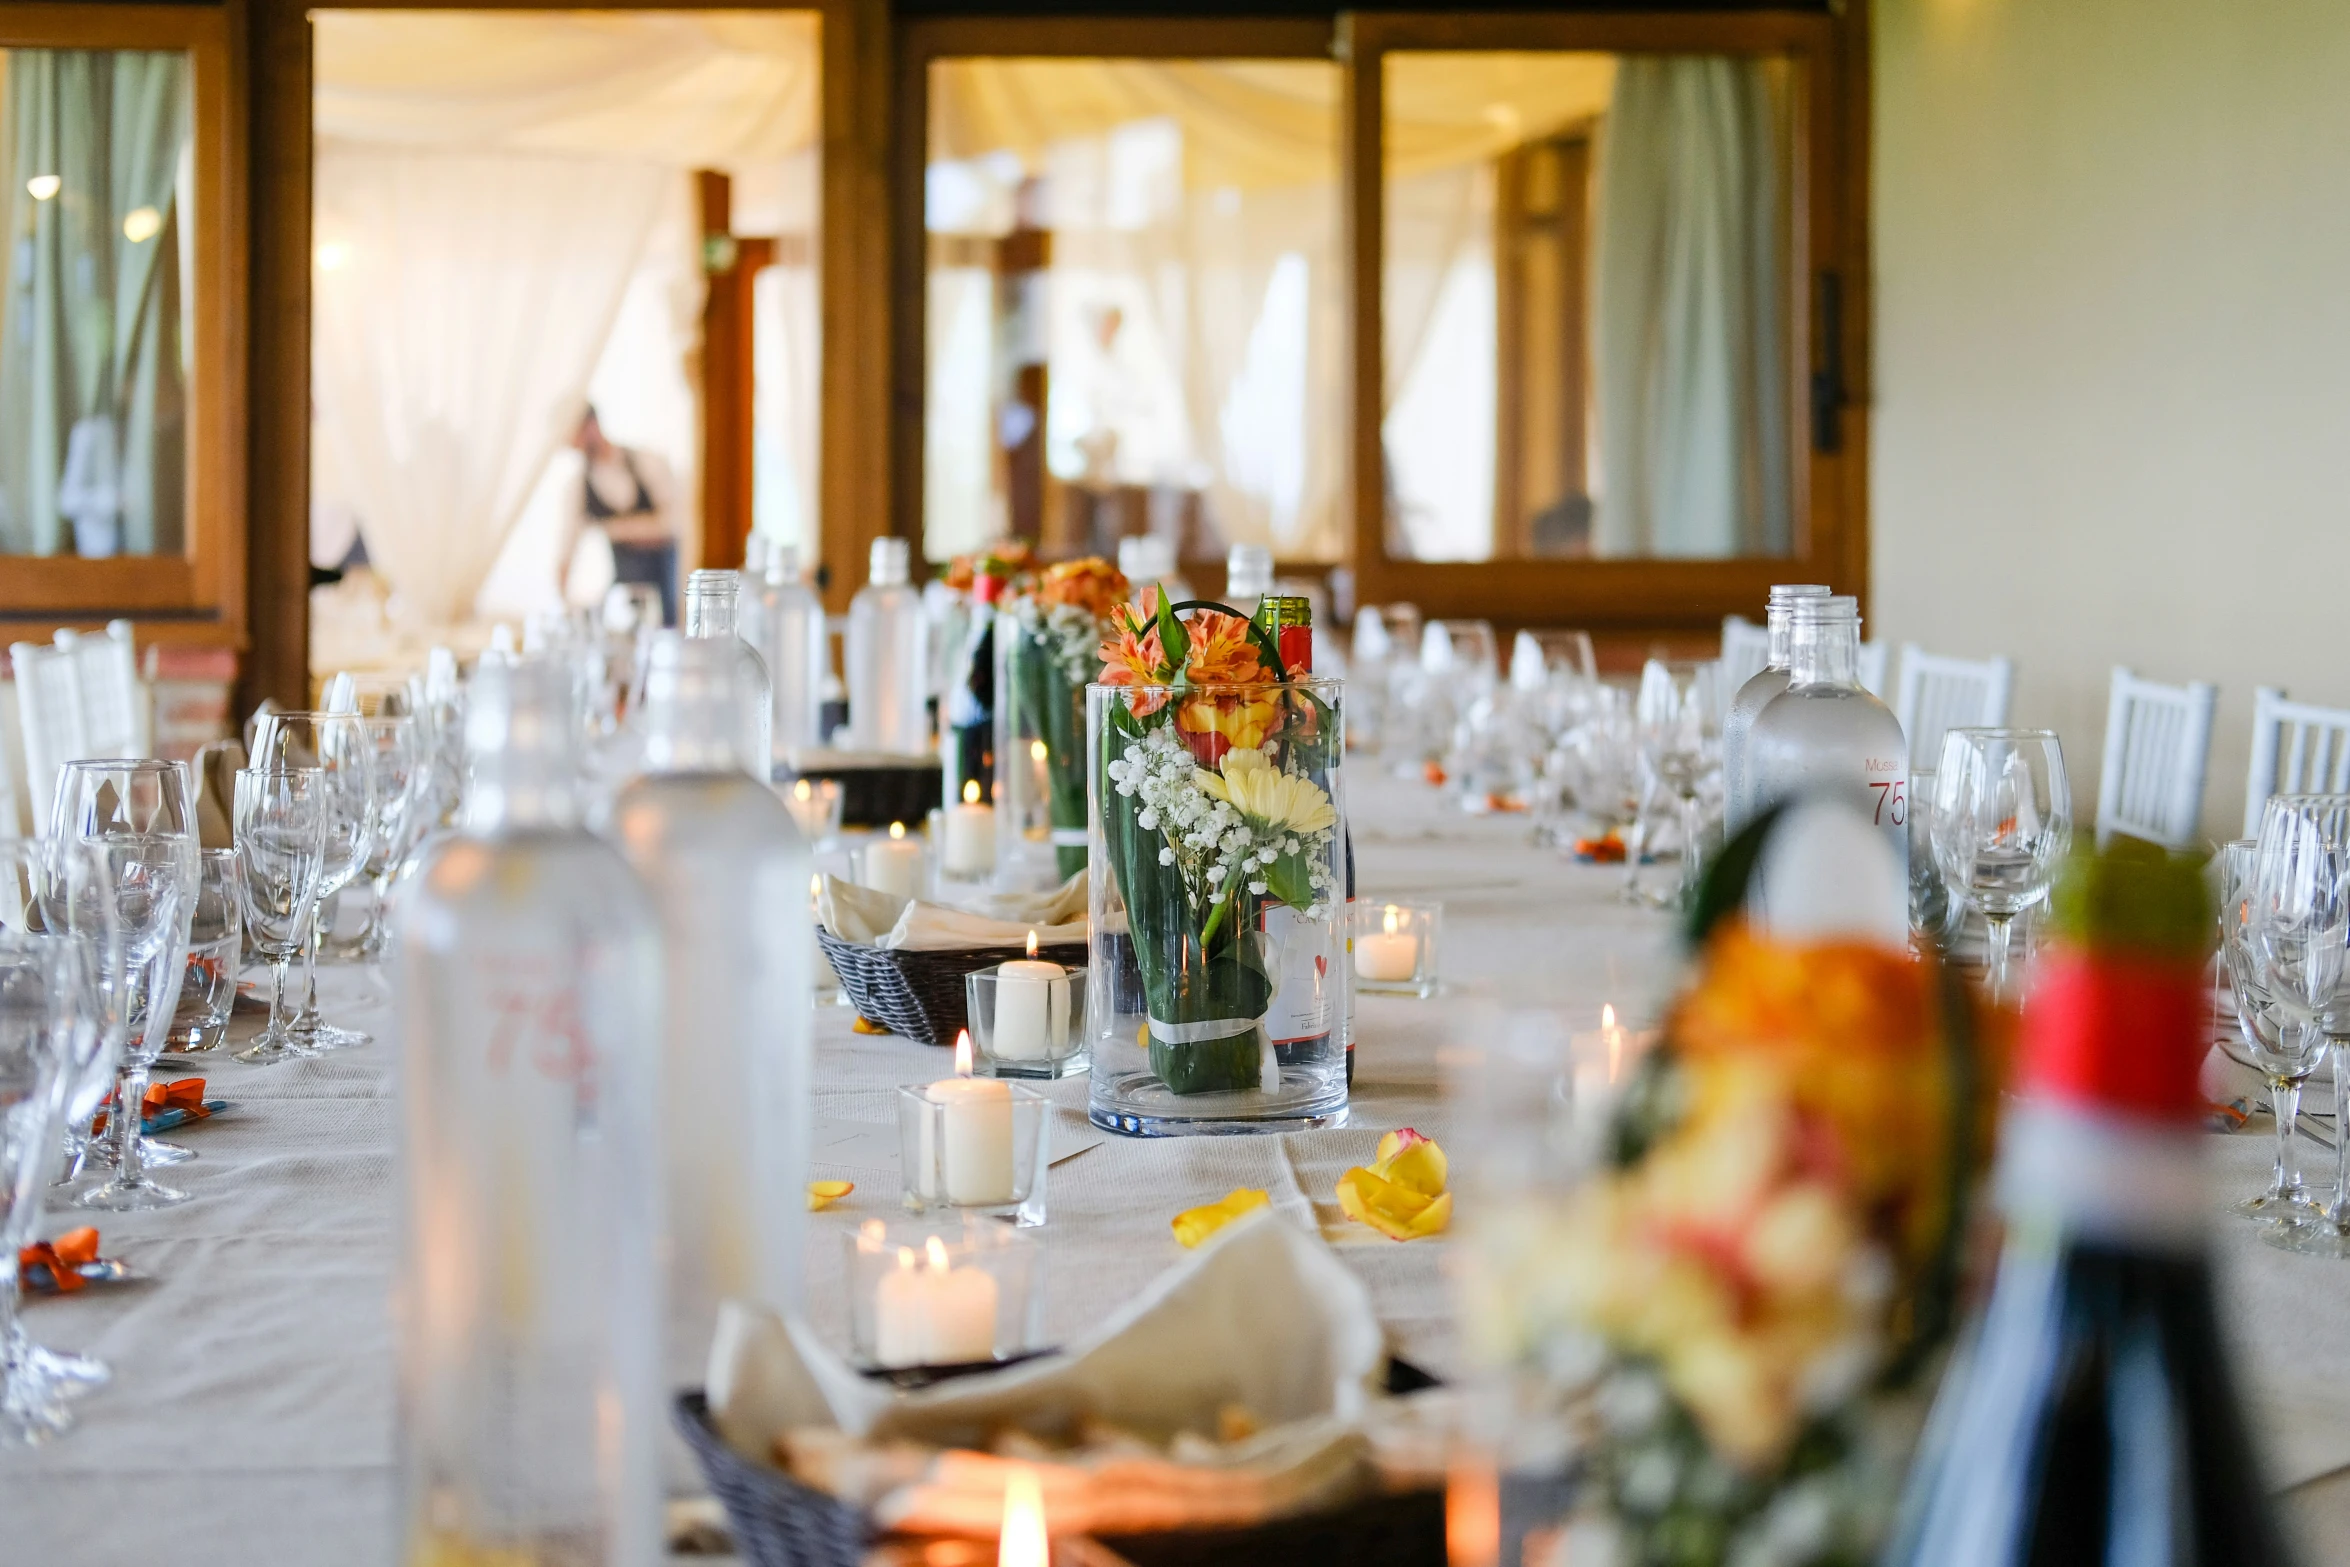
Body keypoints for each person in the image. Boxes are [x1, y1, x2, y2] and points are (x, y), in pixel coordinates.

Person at [560, 405, 681, 625]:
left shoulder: (648, 462)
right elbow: (566, 550)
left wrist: (613, 529)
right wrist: (565, 604)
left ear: (592, 424)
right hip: (619, 601)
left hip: (662, 592)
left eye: (576, 432)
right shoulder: (578, 486)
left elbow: (673, 526)